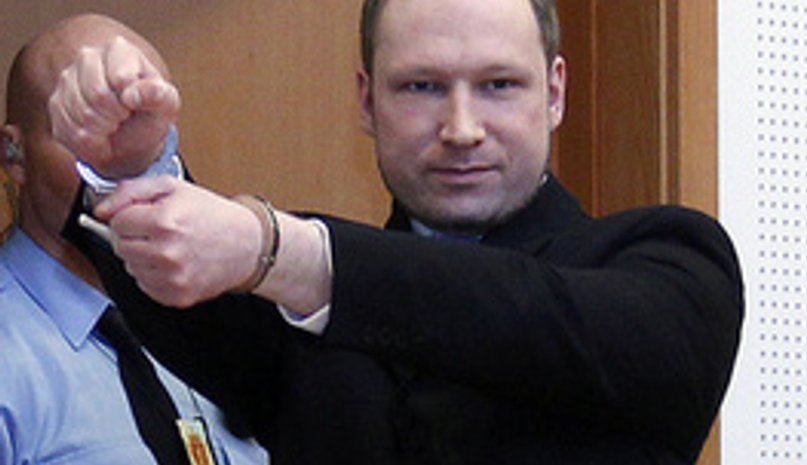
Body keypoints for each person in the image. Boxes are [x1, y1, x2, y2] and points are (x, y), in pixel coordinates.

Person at [50, 0, 744, 463]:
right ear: (365, 99)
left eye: (500, 85)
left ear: (555, 92)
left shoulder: (672, 265)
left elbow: (528, 315)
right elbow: (183, 288)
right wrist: (130, 165)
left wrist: (285, 252)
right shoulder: (291, 315)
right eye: (421, 87)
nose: (462, 128)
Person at [0, 14, 268, 465]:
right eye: (84, 132)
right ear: (14, 153)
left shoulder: (222, 327)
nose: (124, 165)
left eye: (146, 129)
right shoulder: (11, 363)